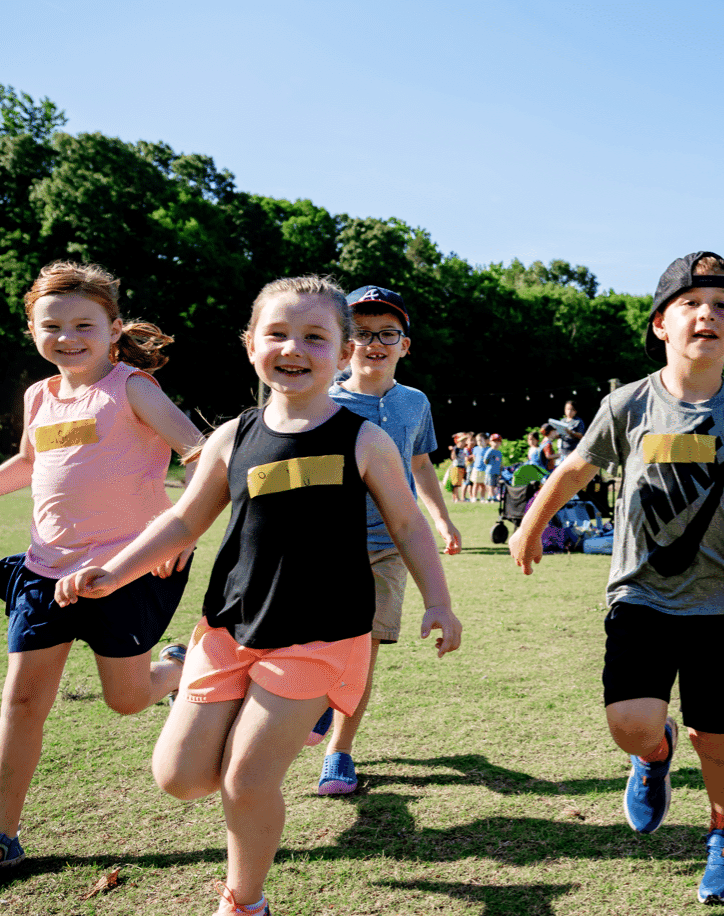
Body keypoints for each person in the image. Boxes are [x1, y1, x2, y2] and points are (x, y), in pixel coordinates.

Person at [56, 276, 462, 916]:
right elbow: (185, 521)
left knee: (247, 781)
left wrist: (438, 601)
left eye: (314, 336)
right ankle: (224, 694)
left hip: (322, 632)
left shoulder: (364, 439)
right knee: (181, 778)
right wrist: (114, 570)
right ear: (251, 345)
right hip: (230, 629)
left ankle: (243, 901)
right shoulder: (231, 437)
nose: (293, 348)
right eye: (277, 333)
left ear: (342, 350)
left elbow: (408, 523)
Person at [509, 251, 724, 905]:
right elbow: (578, 469)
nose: (706, 314)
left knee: (715, 736)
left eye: (722, 306)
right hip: (638, 593)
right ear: (661, 324)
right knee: (630, 724)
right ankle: (653, 753)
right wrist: (530, 524)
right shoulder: (627, 403)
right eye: (689, 303)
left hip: (718, 602)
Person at [0, 261, 203, 869]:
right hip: (44, 572)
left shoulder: (132, 387)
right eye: (52, 325)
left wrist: (181, 535)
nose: (68, 337)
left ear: (113, 328)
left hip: (126, 571)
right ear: (33, 329)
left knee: (128, 701)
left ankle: (178, 669)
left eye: (84, 324)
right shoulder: (39, 395)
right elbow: (29, 464)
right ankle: (4, 834)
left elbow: (199, 453)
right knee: (22, 701)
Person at [309, 284, 462, 794]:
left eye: (387, 333)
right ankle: (316, 706)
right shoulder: (320, 397)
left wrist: (441, 520)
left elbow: (420, 463)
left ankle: (340, 752)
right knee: (316, 644)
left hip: (389, 545)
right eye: (359, 332)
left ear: (405, 345)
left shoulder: (415, 403)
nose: (373, 343)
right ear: (341, 341)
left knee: (364, 650)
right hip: (324, 547)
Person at [469, 432, 489, 500]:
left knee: (483, 485)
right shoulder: (475, 449)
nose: (479, 442)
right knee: (476, 484)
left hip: (485, 469)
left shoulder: (488, 449)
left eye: (481, 440)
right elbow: (474, 458)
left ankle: (482, 497)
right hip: (476, 469)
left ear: (486, 440)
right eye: (477, 440)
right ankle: (474, 497)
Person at [484, 434, 503, 501]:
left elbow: (500, 463)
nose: (496, 443)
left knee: (495, 485)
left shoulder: (499, 453)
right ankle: (492, 496)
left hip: (496, 471)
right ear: (490, 442)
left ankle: (491, 496)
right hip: (490, 471)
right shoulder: (490, 450)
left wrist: (500, 470)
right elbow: (485, 460)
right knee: (490, 484)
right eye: (494, 441)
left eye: (498, 441)